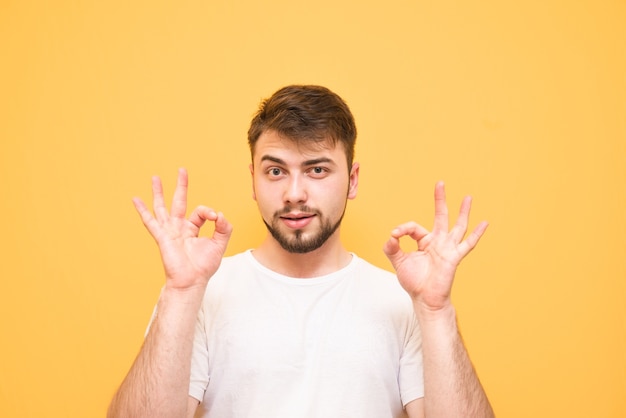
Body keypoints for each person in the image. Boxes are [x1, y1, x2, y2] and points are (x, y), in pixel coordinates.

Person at [108, 85, 495, 418]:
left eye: (317, 170)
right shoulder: (200, 292)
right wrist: (180, 293)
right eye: (276, 171)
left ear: (352, 179)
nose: (295, 193)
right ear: (254, 180)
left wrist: (436, 311)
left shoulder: (403, 302)